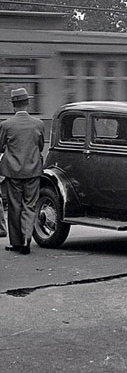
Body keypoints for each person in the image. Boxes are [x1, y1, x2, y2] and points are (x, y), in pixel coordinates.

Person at [0, 88, 45, 255]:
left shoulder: (6, 125)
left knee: (14, 206)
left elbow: (0, 146)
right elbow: (40, 146)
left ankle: (17, 243)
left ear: (13, 105)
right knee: (30, 204)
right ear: (27, 103)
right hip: (33, 170)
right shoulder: (38, 124)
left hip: (12, 171)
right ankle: (27, 237)